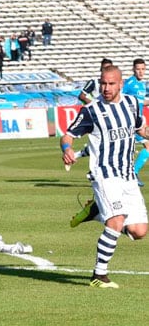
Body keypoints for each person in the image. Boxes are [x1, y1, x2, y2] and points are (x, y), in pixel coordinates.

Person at [61, 65, 149, 289]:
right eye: (103, 83)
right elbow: (68, 135)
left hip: (127, 175)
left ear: (121, 84)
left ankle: (96, 211)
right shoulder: (91, 110)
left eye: (111, 84)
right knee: (117, 221)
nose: (106, 88)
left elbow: (140, 127)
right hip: (104, 174)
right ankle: (99, 275)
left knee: (139, 232)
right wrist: (67, 150)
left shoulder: (132, 103)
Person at [123, 58, 148, 186]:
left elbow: (141, 101)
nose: (141, 72)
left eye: (143, 69)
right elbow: (119, 97)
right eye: (138, 69)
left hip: (138, 121)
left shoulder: (142, 85)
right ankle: (133, 172)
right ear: (133, 69)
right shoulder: (129, 83)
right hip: (130, 122)